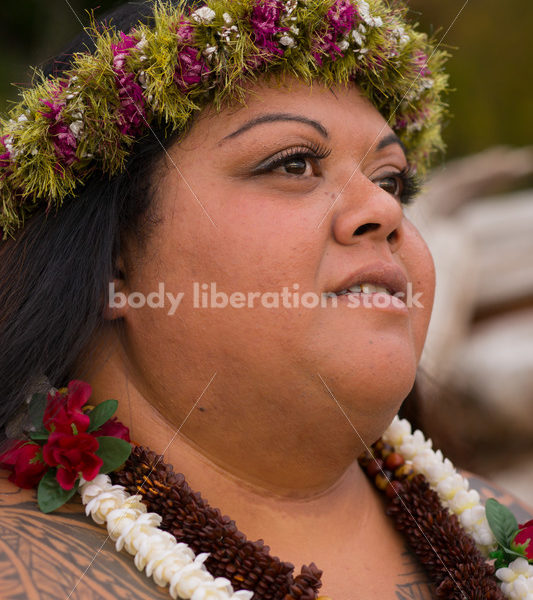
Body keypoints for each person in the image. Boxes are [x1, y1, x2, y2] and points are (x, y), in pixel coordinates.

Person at [0, 1, 531, 599]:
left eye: (391, 181)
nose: (384, 211)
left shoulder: (502, 535)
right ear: (113, 263)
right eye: (295, 164)